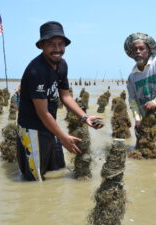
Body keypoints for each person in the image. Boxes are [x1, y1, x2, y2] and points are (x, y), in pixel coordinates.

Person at [17, 21, 103, 181]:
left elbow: (66, 96)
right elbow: (42, 113)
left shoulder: (62, 65)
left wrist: (85, 117)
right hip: (32, 128)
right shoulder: (37, 71)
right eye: (51, 44)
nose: (57, 49)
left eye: (61, 44)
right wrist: (63, 137)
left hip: (50, 125)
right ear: (42, 46)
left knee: (57, 169)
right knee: (34, 179)